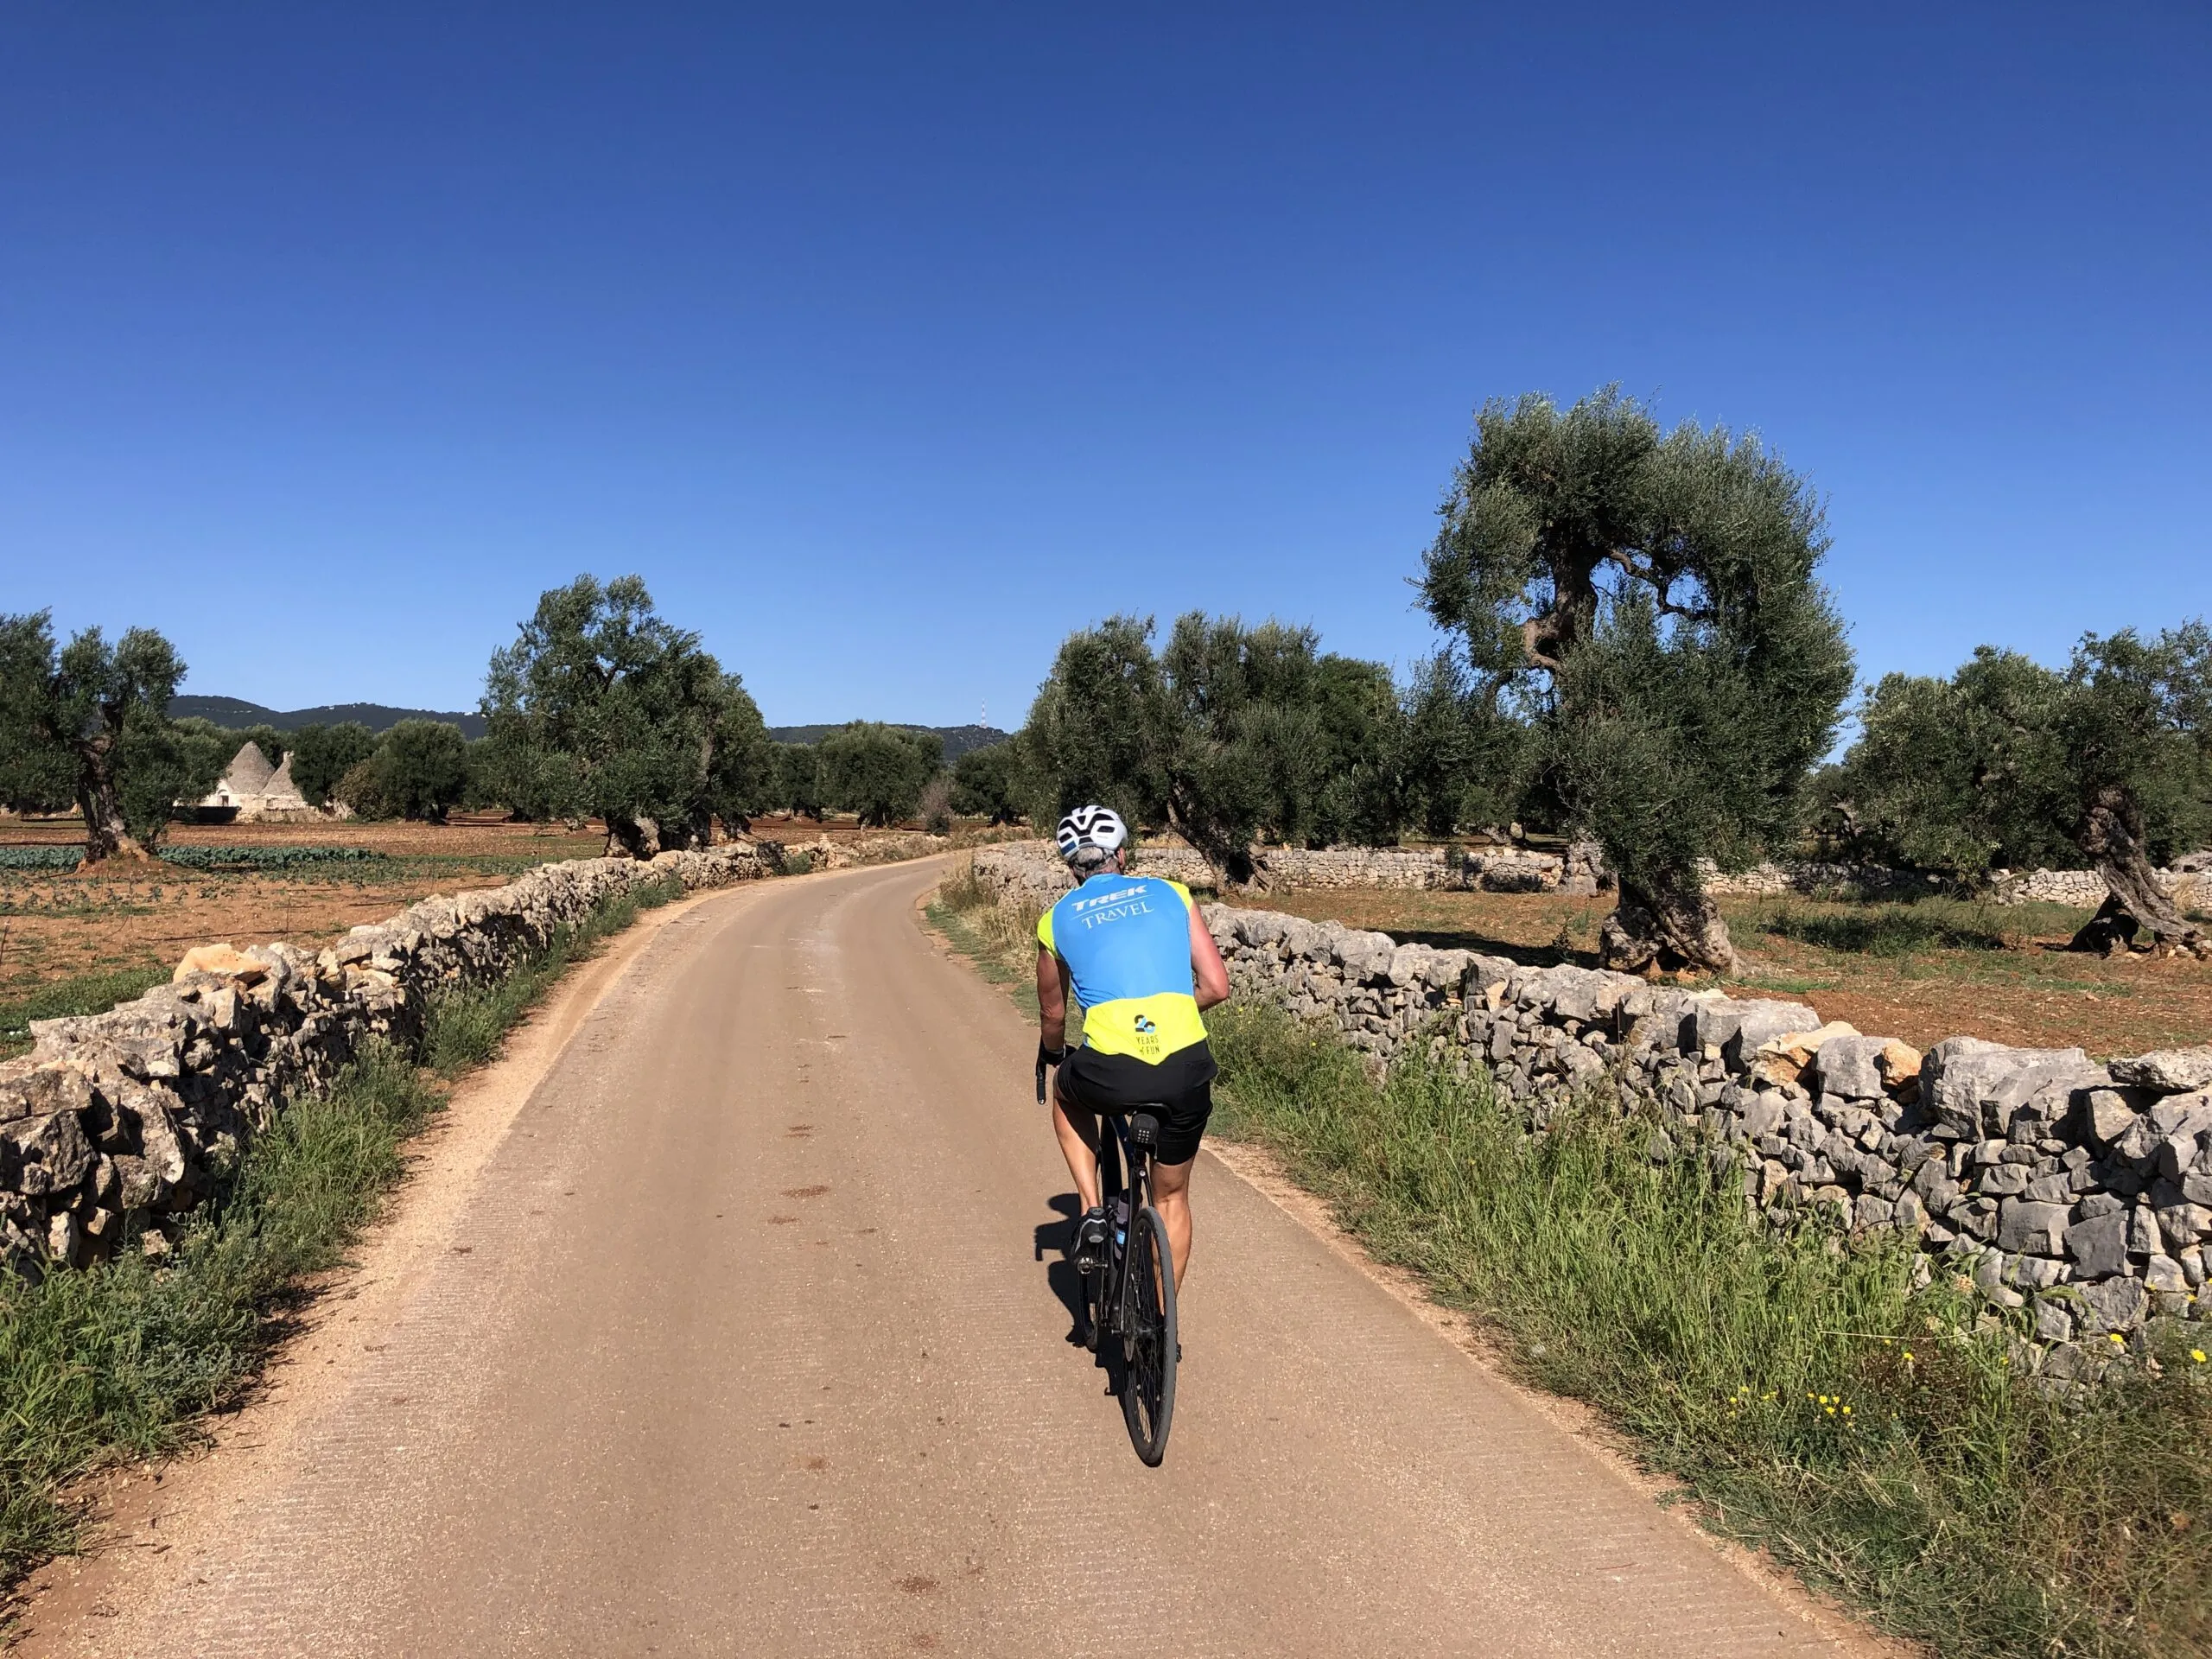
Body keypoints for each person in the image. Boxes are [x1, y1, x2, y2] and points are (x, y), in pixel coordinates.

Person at [1036, 804, 1230, 1291]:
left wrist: (1054, 1055)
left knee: (1065, 1089)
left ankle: (1091, 1206)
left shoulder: (1055, 920)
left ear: (1071, 867)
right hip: (1185, 1065)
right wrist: (1168, 1015)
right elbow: (1216, 986)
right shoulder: (1173, 894)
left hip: (1108, 1069)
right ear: (1122, 854)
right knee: (1172, 1200)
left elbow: (1054, 1014)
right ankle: (1163, 1327)